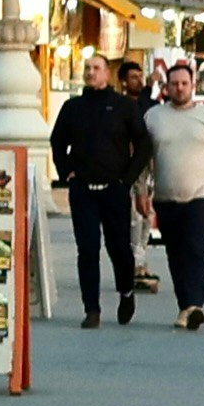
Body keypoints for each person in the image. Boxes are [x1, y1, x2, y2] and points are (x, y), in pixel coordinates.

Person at [138, 62, 204, 331]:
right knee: (175, 253)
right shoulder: (154, 117)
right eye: (174, 84)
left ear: (193, 86)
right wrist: (141, 191)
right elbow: (141, 160)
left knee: (194, 247)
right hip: (166, 196)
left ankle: (195, 304)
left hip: (201, 195)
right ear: (166, 88)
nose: (179, 88)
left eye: (184, 84)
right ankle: (184, 307)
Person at [48, 60, 151, 330]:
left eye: (96, 68)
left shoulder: (123, 106)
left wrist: (127, 179)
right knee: (87, 249)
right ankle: (91, 309)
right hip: (83, 189)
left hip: (114, 189)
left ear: (107, 74)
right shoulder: (73, 108)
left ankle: (126, 292)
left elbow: (143, 144)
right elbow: (57, 141)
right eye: (87, 68)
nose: (91, 72)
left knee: (118, 247)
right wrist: (65, 171)